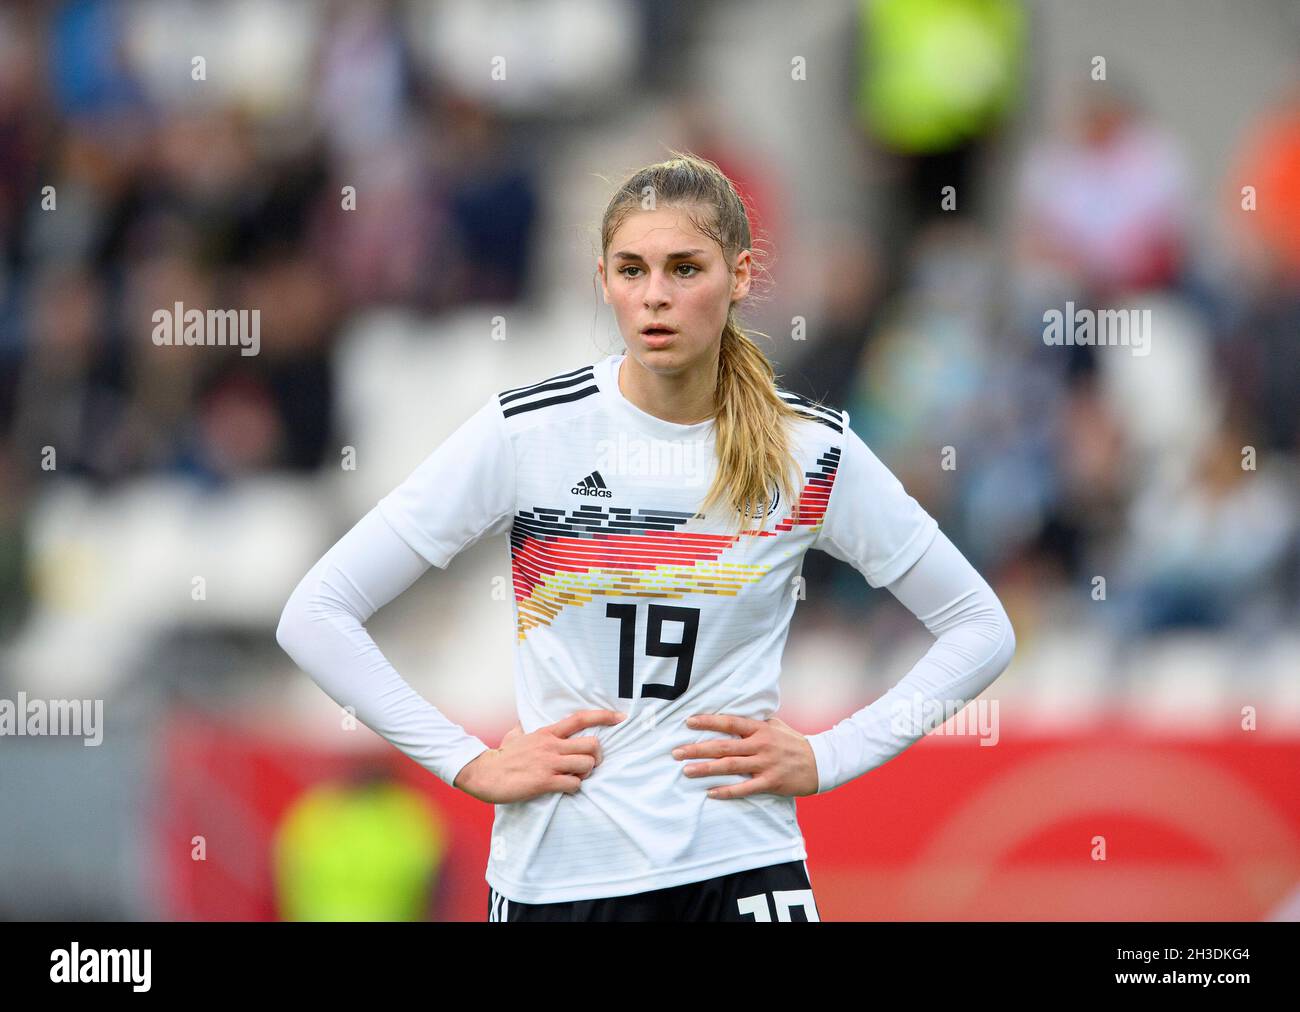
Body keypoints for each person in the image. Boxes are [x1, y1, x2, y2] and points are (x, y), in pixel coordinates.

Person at [275, 151, 1016, 922]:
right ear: (603, 281)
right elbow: (317, 614)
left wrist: (831, 755)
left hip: (742, 868)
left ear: (741, 274)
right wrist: (469, 762)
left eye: (685, 269)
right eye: (632, 271)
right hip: (557, 879)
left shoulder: (810, 450)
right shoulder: (529, 433)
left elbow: (980, 628)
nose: (655, 297)